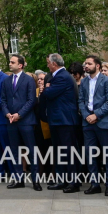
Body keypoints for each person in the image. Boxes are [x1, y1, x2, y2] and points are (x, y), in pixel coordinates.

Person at [0, 54, 41, 191]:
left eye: (13, 62)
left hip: (26, 121)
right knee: (14, 151)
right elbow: (3, 100)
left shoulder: (29, 80)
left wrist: (19, 114)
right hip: (11, 121)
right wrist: (7, 113)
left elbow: (31, 100)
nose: (10, 64)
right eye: (10, 62)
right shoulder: (6, 81)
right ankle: (18, 179)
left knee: (31, 151)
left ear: (20, 65)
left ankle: (35, 180)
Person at [79, 54, 108, 196]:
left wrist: (96, 115)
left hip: (103, 122)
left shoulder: (107, 81)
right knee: (90, 154)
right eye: (85, 63)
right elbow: (81, 101)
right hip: (87, 122)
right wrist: (86, 115)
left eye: (89, 63)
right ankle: (94, 184)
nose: (86, 66)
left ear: (97, 66)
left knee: (107, 154)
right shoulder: (84, 81)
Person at [42, 53, 81, 193]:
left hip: (65, 120)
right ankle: (62, 179)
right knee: (59, 151)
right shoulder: (57, 77)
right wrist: (47, 87)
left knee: (68, 152)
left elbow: (49, 93)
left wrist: (47, 88)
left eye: (48, 63)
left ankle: (73, 182)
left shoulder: (62, 76)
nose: (47, 65)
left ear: (54, 63)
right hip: (57, 120)